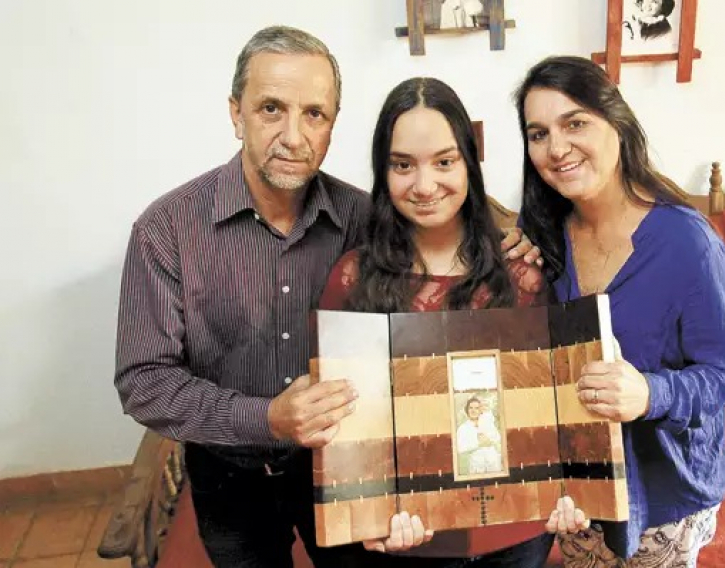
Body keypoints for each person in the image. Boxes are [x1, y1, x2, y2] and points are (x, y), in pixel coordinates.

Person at [113, 25, 537, 568]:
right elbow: (144, 382)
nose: (294, 136)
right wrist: (267, 418)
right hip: (230, 477)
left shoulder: (366, 218)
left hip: (347, 472)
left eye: (314, 114)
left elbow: (448, 240)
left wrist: (516, 239)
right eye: (271, 109)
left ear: (333, 124)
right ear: (236, 113)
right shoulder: (167, 231)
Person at [513, 56, 725, 567]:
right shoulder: (544, 236)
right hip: (580, 490)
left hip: (664, 499)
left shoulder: (688, 243)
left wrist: (649, 392)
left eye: (575, 123)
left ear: (616, 123)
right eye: (538, 134)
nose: (556, 148)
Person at [318, 76, 555, 567]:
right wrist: (367, 515)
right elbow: (340, 425)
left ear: (469, 162)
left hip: (516, 531)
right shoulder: (351, 278)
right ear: (383, 171)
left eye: (444, 162)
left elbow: (548, 409)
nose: (424, 186)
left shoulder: (522, 274)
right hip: (407, 536)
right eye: (403, 165)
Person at [456, 396, 502, 475]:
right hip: (477, 466)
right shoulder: (463, 428)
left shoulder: (487, 422)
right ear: (467, 410)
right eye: (471, 408)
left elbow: (497, 438)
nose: (473, 411)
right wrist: (478, 444)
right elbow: (460, 448)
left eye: (476, 408)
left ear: (480, 410)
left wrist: (489, 440)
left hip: (493, 464)